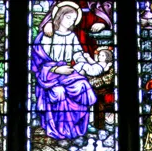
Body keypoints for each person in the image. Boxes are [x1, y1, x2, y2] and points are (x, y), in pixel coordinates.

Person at [30, 1, 104, 143]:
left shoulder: (71, 36)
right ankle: (60, 129)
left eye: (73, 19)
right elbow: (39, 62)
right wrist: (56, 69)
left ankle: (80, 126)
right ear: (59, 16)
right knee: (59, 92)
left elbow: (77, 54)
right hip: (49, 76)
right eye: (68, 17)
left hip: (68, 73)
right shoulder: (47, 36)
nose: (71, 21)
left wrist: (84, 64)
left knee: (83, 85)